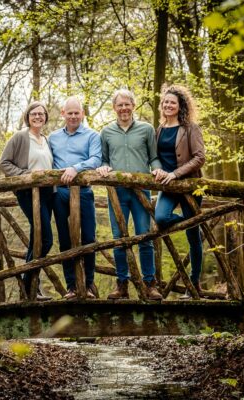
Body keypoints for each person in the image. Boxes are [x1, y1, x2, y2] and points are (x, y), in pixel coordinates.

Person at [96, 89, 165, 300]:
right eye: (120, 105)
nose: (124, 108)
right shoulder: (106, 132)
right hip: (117, 193)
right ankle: (122, 285)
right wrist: (104, 167)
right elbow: (104, 159)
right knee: (119, 239)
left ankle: (149, 285)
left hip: (140, 191)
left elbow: (154, 157)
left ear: (133, 106)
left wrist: (157, 169)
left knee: (144, 236)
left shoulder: (146, 129)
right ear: (114, 108)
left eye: (127, 104)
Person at [152, 84, 206, 298]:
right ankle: (193, 222)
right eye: (165, 102)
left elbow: (200, 158)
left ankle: (194, 285)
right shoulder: (159, 129)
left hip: (190, 186)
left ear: (180, 105)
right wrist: (157, 170)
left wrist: (175, 174)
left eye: (172, 102)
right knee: (161, 218)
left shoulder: (191, 127)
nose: (168, 105)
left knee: (193, 237)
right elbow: (155, 157)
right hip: (167, 187)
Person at [0, 100, 53, 301]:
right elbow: (4, 163)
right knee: (46, 239)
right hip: (28, 193)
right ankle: (27, 282)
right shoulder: (21, 137)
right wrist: (26, 174)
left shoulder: (46, 139)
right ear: (27, 117)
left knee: (37, 239)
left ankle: (30, 289)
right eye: (34, 114)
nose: (38, 117)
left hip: (47, 194)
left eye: (41, 114)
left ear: (46, 117)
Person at [48, 96, 101, 300]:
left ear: (82, 114)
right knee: (65, 240)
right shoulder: (52, 137)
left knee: (89, 238)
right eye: (69, 113)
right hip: (60, 193)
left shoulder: (92, 136)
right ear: (63, 114)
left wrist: (75, 168)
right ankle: (71, 287)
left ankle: (87, 286)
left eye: (76, 113)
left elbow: (96, 159)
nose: (73, 116)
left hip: (84, 192)